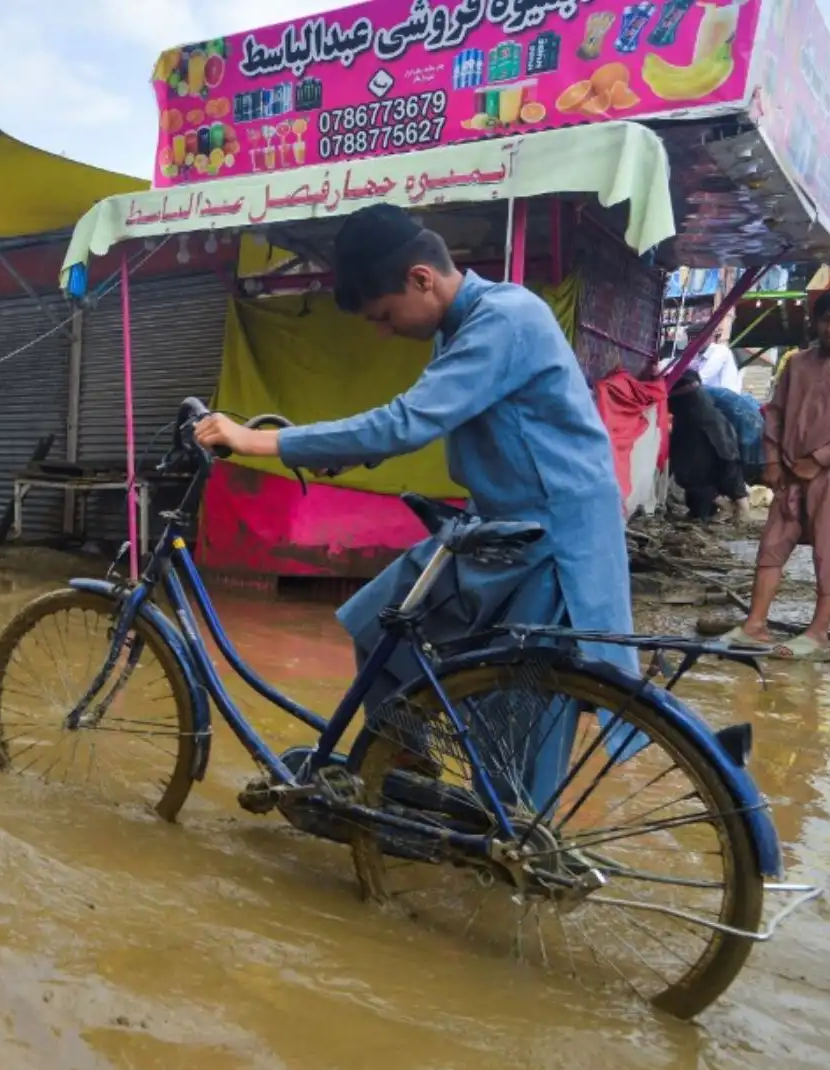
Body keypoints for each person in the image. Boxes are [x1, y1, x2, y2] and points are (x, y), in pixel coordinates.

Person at [195, 204, 636, 724]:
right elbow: (419, 417)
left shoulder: (506, 318)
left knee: (518, 715)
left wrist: (257, 442)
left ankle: (507, 808)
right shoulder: (457, 328)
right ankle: (402, 773)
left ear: (421, 279)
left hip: (552, 536)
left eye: (383, 315)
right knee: (378, 625)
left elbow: (408, 423)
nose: (384, 332)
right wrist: (336, 452)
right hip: (492, 528)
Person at [733, 281, 830, 657]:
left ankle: (818, 634)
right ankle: (754, 625)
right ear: (816, 320)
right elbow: (775, 413)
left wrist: (818, 460)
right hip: (789, 472)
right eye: (826, 319)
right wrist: (772, 459)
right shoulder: (798, 362)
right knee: (771, 545)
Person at [666, 373, 749, 521]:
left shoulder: (684, 396)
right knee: (728, 471)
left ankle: (732, 510)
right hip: (717, 431)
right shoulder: (701, 397)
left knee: (694, 475)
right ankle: (739, 513)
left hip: (699, 430)